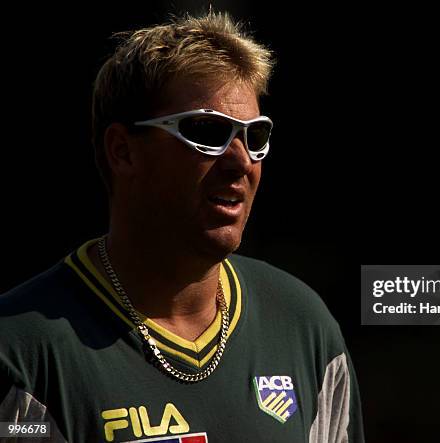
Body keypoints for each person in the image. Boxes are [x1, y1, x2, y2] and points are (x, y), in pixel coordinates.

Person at [0, 12, 364, 443]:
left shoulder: (303, 326)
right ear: (123, 152)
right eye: (207, 131)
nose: (241, 160)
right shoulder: (21, 351)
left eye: (255, 136)